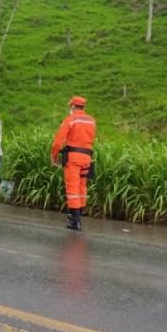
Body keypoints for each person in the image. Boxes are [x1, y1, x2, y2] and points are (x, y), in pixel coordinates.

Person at [51, 96, 96, 231]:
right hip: (87, 157)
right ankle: (77, 216)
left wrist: (54, 155)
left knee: (72, 189)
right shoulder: (92, 121)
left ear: (72, 106)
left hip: (73, 158)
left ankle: (75, 221)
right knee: (82, 188)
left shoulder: (71, 119)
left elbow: (58, 141)